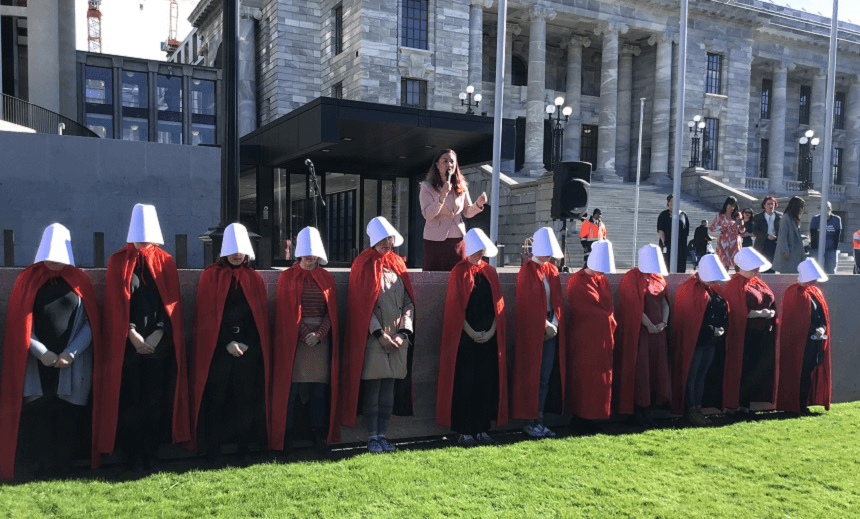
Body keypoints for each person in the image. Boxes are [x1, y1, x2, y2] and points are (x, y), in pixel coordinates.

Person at [94, 203, 190, 470]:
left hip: (158, 344)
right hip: (129, 346)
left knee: (155, 399)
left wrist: (159, 332)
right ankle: (133, 452)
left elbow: (170, 303)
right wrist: (132, 334)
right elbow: (116, 305)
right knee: (131, 400)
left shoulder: (166, 261)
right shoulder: (117, 261)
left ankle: (152, 451)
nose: (144, 240)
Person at [0, 224, 100, 480]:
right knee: (40, 414)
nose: (55, 262)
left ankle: (63, 466)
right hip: (37, 364)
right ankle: (40, 466)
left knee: (68, 416)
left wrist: (71, 353)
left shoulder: (80, 280)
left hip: (71, 363)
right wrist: (41, 352)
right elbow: (19, 323)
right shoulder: (27, 280)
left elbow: (91, 324)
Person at [189, 224, 270, 460]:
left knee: (244, 398)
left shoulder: (254, 278)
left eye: (241, 251)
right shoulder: (211, 275)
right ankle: (214, 448)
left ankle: (243, 447)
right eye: (233, 251)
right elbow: (206, 314)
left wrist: (245, 342)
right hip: (219, 348)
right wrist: (226, 342)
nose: (237, 255)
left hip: (247, 348)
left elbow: (260, 317)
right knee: (217, 398)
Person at [341, 217, 415, 453]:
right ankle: (372, 436)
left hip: (397, 339)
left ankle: (383, 434)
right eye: (383, 239)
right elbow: (361, 306)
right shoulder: (362, 264)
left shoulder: (398, 264)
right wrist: (379, 335)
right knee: (373, 390)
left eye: (390, 238)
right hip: (374, 340)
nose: (387, 243)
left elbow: (408, 302)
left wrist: (403, 332)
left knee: (389, 391)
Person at [436, 229, 508, 447]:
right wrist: (470, 332)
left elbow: (499, 305)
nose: (480, 254)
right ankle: (465, 429)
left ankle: (482, 427)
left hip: (488, 337)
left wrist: (493, 330)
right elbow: (455, 309)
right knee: (465, 383)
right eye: (476, 250)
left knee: (485, 383)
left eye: (482, 250)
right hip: (466, 340)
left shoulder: (490, 273)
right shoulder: (458, 272)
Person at [271, 226, 341, 453]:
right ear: (300, 252)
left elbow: (331, 311)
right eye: (307, 253)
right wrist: (304, 334)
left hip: (319, 340)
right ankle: (289, 434)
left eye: (314, 254)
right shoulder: (287, 277)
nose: (310, 258)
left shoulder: (327, 277)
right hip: (296, 339)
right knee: (292, 389)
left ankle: (317, 433)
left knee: (319, 390)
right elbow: (286, 310)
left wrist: (320, 334)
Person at [512, 227, 565, 438]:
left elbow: (557, 300)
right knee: (532, 374)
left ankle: (539, 418)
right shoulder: (527, 270)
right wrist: (545, 324)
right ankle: (530, 420)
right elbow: (526, 303)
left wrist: (554, 322)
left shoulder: (551, 270)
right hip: (535, 331)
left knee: (544, 377)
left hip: (549, 327)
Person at [669, 254, 730, 426]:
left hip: (708, 341)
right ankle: (691, 408)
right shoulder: (690, 289)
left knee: (700, 376)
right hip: (696, 342)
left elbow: (721, 309)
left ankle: (697, 407)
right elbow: (689, 319)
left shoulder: (712, 290)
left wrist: (722, 327)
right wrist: (714, 330)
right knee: (692, 375)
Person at [615, 244, 671, 428]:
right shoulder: (631, 278)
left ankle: (649, 409)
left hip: (657, 332)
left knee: (656, 370)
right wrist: (649, 325)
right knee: (641, 370)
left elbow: (664, 301)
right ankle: (638, 410)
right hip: (641, 333)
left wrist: (663, 322)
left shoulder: (658, 278)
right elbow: (633, 306)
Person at [565, 239, 616, 423]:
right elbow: (584, 309)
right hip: (586, 340)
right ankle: (583, 417)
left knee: (600, 379)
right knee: (586, 379)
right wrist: (608, 318)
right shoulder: (577, 281)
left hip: (601, 339)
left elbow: (607, 308)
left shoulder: (601, 280)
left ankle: (598, 415)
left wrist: (607, 319)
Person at [722, 248, 778, 415]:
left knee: (754, 368)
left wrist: (771, 313)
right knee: (743, 367)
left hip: (761, 333)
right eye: (753, 267)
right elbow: (736, 310)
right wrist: (759, 314)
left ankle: (746, 403)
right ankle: (736, 404)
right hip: (745, 334)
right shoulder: (735, 284)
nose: (757, 270)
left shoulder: (757, 282)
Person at [777, 258, 831, 415]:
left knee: (808, 372)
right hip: (799, 343)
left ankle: (802, 403)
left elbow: (820, 316)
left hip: (812, 341)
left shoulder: (814, 293)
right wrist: (814, 330)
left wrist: (820, 328)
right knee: (799, 373)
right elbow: (794, 322)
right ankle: (796, 405)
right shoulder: (793, 292)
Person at [419, 149, 487, 271]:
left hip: (458, 241)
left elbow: (467, 212)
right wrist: (441, 197)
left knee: (458, 276)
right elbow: (428, 215)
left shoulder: (461, 186)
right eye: (445, 161)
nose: (449, 165)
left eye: (452, 162)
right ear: (437, 165)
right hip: (435, 241)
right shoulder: (426, 187)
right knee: (435, 279)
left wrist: (478, 204)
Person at [657, 194, 690, 273]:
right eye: (670, 201)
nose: (671, 203)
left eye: (674, 201)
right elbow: (661, 231)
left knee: (680, 268)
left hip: (681, 247)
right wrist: (666, 243)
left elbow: (686, 231)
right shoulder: (663, 215)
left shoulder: (683, 215)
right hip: (668, 246)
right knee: (667, 267)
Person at [773, 196, 805, 274]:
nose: (801, 209)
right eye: (800, 206)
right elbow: (783, 236)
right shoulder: (786, 217)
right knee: (788, 275)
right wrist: (785, 251)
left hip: (796, 252)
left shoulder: (794, 218)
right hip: (789, 253)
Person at [709, 196, 743, 270]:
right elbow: (711, 228)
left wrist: (741, 224)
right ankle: (724, 280)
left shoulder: (737, 215)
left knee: (737, 264)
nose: (732, 208)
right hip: (723, 242)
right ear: (726, 205)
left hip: (735, 242)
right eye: (730, 205)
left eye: (734, 206)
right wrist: (721, 225)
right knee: (724, 264)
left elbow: (742, 230)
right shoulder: (720, 216)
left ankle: (738, 280)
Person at [809, 201, 842, 275]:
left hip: (831, 250)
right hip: (817, 250)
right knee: (816, 271)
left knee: (831, 271)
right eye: (821, 208)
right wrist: (815, 249)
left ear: (830, 208)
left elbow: (837, 235)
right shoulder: (815, 219)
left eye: (826, 208)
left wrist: (835, 248)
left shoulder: (836, 219)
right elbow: (813, 234)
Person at [752, 196, 781, 273]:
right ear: (764, 205)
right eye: (768, 204)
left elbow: (783, 231)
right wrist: (767, 235)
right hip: (762, 243)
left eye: (772, 204)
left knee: (772, 267)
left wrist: (777, 236)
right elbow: (755, 231)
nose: (771, 206)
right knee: (762, 266)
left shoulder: (780, 217)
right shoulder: (758, 217)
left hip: (775, 243)